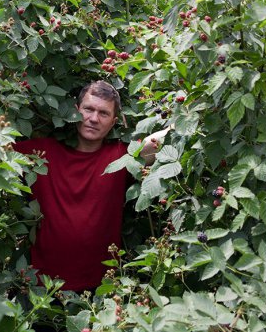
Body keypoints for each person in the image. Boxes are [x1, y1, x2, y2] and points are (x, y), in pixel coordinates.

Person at [12, 80, 169, 292]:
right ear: (76, 111)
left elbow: (156, 144)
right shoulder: (41, 154)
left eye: (103, 114)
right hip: (42, 289)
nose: (94, 119)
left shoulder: (120, 159)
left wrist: (186, 120)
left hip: (100, 288)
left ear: (114, 122)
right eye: (88, 109)